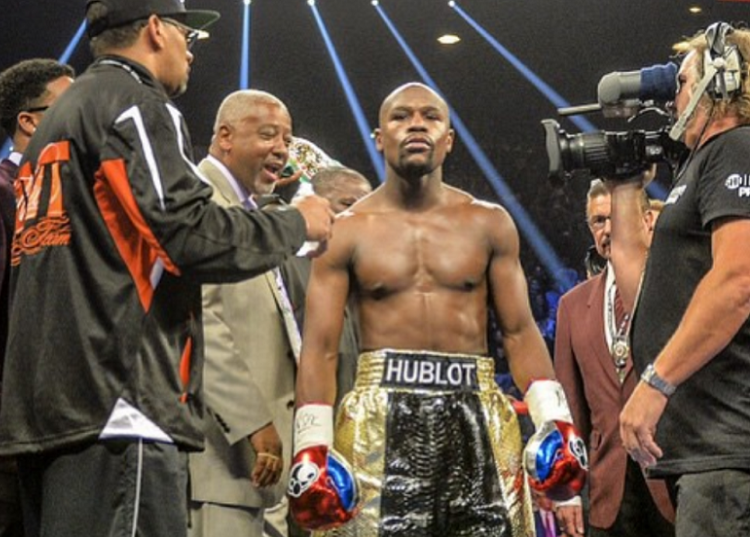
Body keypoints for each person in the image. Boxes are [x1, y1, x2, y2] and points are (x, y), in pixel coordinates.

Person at [0, 2, 334, 537]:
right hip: (120, 407)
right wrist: (297, 223)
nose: (191, 51)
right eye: (185, 33)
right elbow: (191, 235)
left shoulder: (55, 122)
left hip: (48, 413)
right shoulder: (134, 102)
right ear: (155, 28)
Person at [286, 82, 587, 537]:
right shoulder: (346, 231)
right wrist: (312, 444)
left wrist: (554, 419)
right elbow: (320, 348)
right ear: (378, 138)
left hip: (476, 413)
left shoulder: (489, 222)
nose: (416, 125)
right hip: (378, 419)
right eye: (400, 116)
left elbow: (520, 331)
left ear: (448, 139)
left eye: (430, 116)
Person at [610, 23, 750, 537]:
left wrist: (656, 382)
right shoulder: (704, 162)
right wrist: (624, 186)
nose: (674, 100)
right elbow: (652, 290)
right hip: (707, 450)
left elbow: (738, 281)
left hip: (728, 445)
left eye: (684, 83)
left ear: (721, 83)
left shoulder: (737, 147)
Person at [188, 89, 316, 537]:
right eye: (267, 135)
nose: (281, 149)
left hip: (255, 471)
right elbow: (200, 325)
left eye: (287, 139)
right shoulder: (201, 203)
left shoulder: (244, 211)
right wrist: (255, 424)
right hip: (219, 462)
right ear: (225, 137)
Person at [0, 58, 74, 537]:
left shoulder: (69, 197)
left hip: (54, 437)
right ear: (30, 122)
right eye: (70, 108)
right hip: (4, 446)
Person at [553, 180, 673, 537]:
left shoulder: (679, 291)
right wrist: (567, 489)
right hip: (607, 491)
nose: (608, 229)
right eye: (599, 221)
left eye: (615, 217)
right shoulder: (572, 306)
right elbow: (570, 409)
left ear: (646, 220)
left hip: (674, 480)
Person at [280, 166, 373, 409]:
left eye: (366, 210)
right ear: (314, 204)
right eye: (348, 204)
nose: (357, 217)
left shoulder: (365, 274)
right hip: (296, 407)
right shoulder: (283, 263)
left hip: (351, 411)